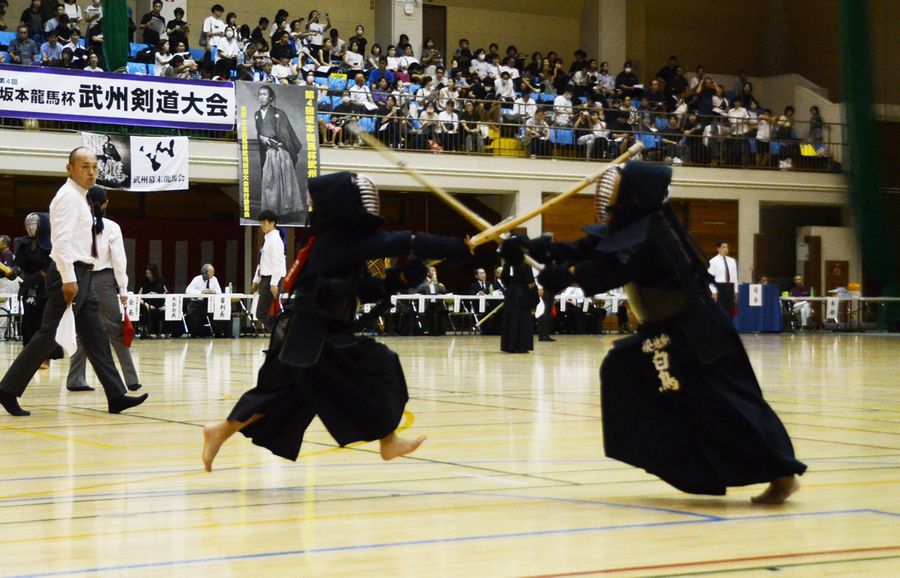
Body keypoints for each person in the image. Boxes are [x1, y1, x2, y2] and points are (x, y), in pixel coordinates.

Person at [511, 161, 805, 503]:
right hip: (665, 332)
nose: (607, 199)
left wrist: (565, 274)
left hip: (695, 335)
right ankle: (681, 460)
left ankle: (782, 471)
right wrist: (533, 248)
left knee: (725, 402)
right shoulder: (634, 227)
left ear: (633, 196)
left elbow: (609, 266)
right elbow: (587, 248)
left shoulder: (651, 234)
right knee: (624, 371)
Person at [201, 172, 470, 472]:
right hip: (311, 334)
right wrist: (451, 246)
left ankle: (220, 431)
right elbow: (401, 241)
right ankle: (387, 439)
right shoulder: (337, 241)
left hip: (311, 333)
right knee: (378, 364)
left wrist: (403, 277)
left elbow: (362, 288)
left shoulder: (339, 244)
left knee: (283, 397)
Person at [0, 148, 148, 417]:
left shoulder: (84, 198)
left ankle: (116, 395)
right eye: (84, 167)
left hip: (85, 274)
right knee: (48, 336)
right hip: (69, 274)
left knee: (96, 337)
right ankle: (8, 390)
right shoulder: (68, 197)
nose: (91, 172)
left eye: (94, 167)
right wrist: (69, 279)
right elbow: (61, 243)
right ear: (70, 169)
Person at [66, 187, 142, 393]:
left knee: (83, 330)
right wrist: (123, 287)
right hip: (102, 280)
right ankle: (131, 379)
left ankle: (75, 378)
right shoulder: (112, 227)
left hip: (79, 277)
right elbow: (119, 260)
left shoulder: (76, 224)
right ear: (106, 203)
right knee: (116, 330)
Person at [12, 213, 61, 369]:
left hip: (47, 288)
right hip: (29, 289)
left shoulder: (52, 244)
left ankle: (46, 357)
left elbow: (49, 268)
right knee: (29, 322)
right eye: (29, 224)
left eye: (35, 224)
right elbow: (19, 263)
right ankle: (29, 355)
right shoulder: (24, 244)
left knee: (44, 323)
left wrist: (33, 278)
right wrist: (13, 270)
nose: (31, 227)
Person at [254, 85, 305, 221]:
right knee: (269, 182)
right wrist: (261, 138)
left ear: (270, 98)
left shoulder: (279, 113)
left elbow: (287, 135)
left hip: (281, 152)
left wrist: (280, 143)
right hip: (269, 152)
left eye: (265, 94)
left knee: (284, 181)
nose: (262, 97)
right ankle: (271, 211)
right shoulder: (257, 114)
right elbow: (260, 133)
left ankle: (286, 210)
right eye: (260, 94)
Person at [498, 241, 538, 353]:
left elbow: (503, 279)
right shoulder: (524, 263)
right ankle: (521, 345)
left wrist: (511, 287)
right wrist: (534, 294)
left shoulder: (507, 262)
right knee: (523, 319)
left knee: (510, 318)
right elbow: (530, 281)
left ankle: (509, 345)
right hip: (522, 293)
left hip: (510, 293)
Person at [251, 210, 286, 329]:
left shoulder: (275, 240)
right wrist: (256, 280)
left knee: (261, 313)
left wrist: (274, 283)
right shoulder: (268, 240)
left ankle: (281, 335)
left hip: (272, 278)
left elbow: (278, 263)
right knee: (263, 313)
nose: (262, 225)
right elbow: (262, 262)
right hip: (266, 277)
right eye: (260, 223)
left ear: (272, 223)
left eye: (264, 222)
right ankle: (279, 336)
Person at [184, 263, 221, 337]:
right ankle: (195, 333)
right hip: (197, 302)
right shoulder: (197, 279)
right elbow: (188, 290)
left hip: (209, 303)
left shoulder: (214, 279)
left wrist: (212, 291)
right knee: (193, 313)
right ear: (205, 272)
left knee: (217, 312)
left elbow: (219, 291)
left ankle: (217, 332)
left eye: (213, 272)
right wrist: (201, 292)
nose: (213, 274)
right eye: (211, 272)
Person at [708, 240, 738, 317]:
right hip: (720, 287)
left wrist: (736, 290)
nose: (726, 249)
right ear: (718, 249)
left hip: (730, 286)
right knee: (720, 311)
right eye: (723, 247)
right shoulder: (713, 261)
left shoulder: (732, 261)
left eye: (727, 247)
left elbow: (734, 277)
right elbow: (710, 277)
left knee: (730, 310)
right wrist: (713, 291)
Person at [416, 265, 447, 336]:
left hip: (437, 302)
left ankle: (441, 332)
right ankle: (432, 332)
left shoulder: (436, 282)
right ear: (427, 273)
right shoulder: (423, 280)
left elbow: (442, 293)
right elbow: (419, 289)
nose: (434, 272)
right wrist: (430, 282)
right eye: (432, 271)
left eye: (435, 271)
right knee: (432, 310)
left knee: (442, 311)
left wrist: (443, 289)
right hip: (427, 303)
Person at [138, 263, 167, 336]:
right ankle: (146, 333)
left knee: (163, 312)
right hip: (147, 305)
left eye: (150, 273)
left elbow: (166, 293)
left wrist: (165, 305)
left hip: (160, 305)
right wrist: (148, 306)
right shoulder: (143, 281)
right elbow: (138, 297)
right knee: (150, 312)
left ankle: (165, 333)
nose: (148, 275)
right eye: (146, 273)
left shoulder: (161, 280)